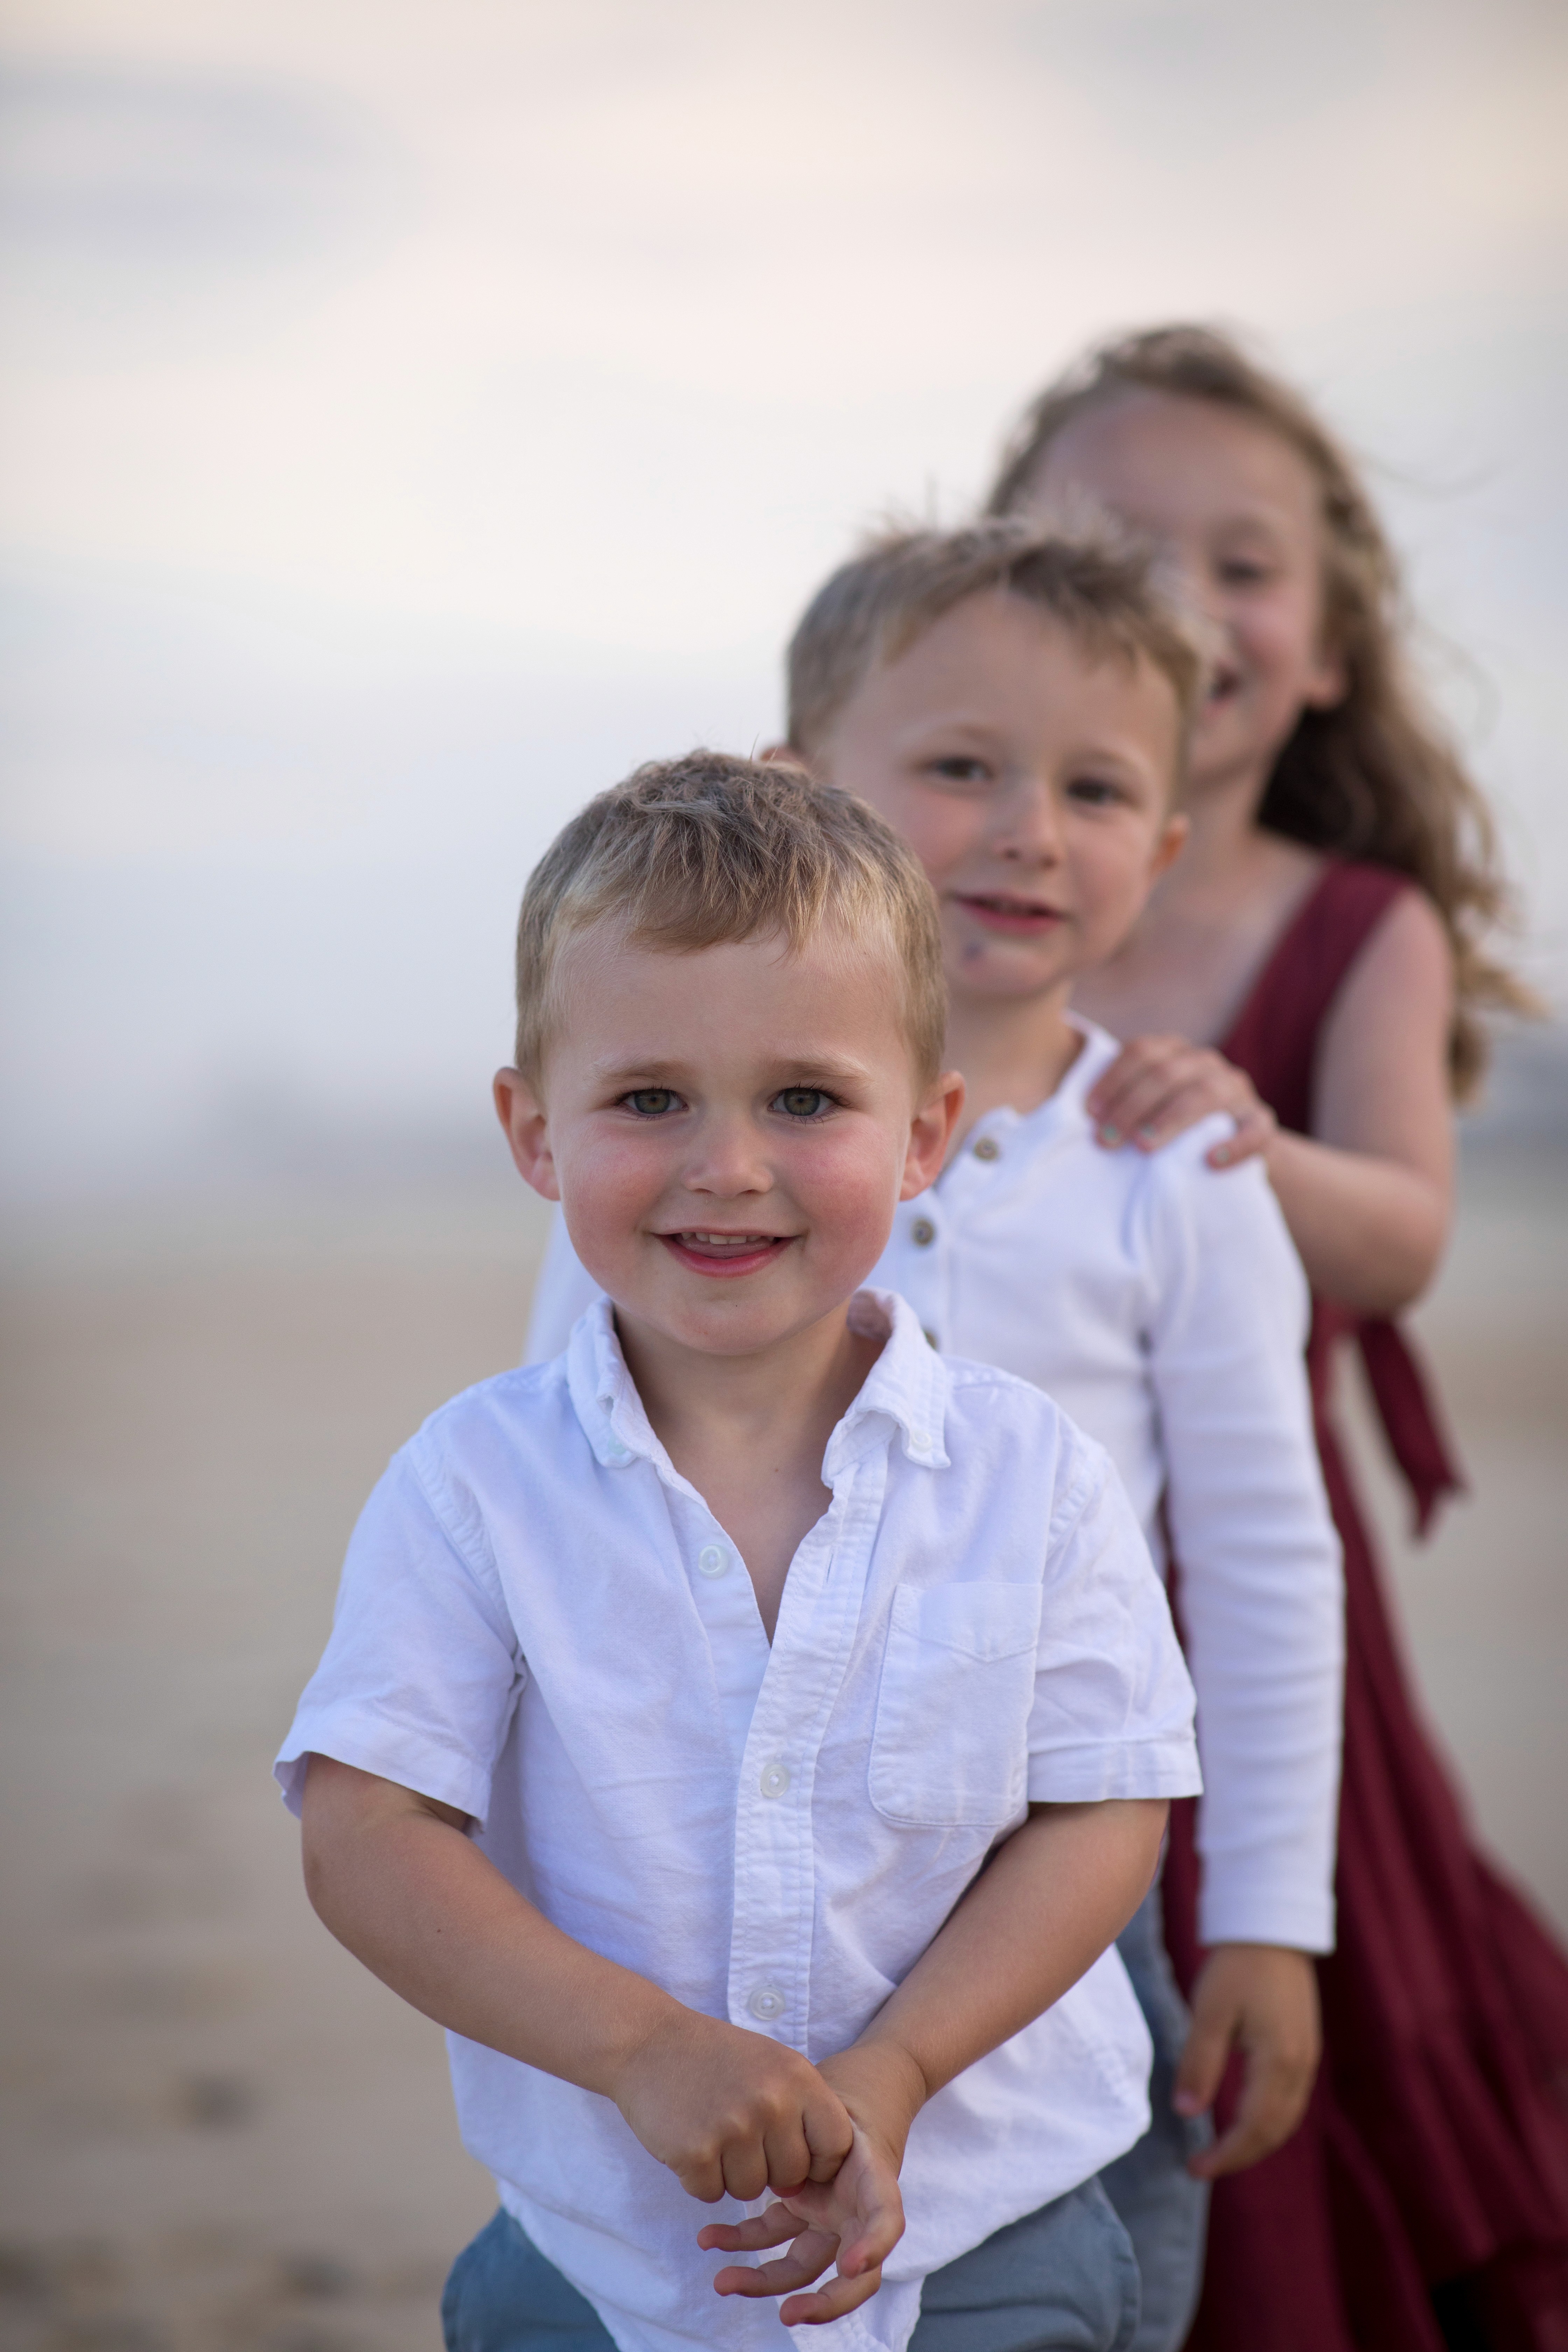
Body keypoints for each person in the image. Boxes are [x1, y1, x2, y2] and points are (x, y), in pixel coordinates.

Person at [524, 528, 1346, 2352]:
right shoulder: (666, 1164)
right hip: (707, 1860)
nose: (1028, 828)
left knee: (1065, 2274)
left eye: (1097, 786)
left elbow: (1271, 1559)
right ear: (806, 787)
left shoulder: (1178, 1177)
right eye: (962, 765)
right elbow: (570, 1476)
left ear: (1167, 844)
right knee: (666, 2278)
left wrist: (1276, 1918)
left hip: (1046, 1867)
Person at [278, 751, 1205, 2352]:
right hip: (600, 2250)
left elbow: (1100, 1808)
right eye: (649, 1099)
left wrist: (902, 2066)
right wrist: (640, 2048)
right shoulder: (473, 1486)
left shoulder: (1028, 1473)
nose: (727, 1164)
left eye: (804, 1099)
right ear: (532, 1130)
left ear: (923, 1132)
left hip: (986, 2225)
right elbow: (367, 1827)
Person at [985, 323, 1568, 2352]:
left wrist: (1248, 1138)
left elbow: (1403, 1238)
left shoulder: (1353, 922)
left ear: (1325, 650)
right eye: (1108, 542)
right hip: (962, 1546)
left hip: (1238, 1569)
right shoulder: (937, 882)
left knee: (1272, 1973)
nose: (1176, 599)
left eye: (1241, 562)